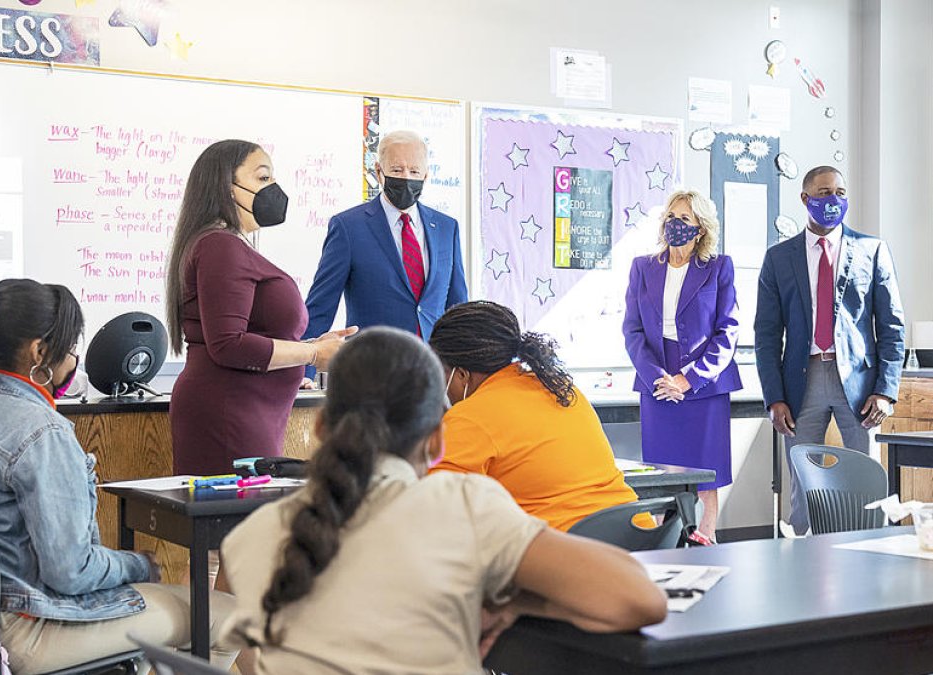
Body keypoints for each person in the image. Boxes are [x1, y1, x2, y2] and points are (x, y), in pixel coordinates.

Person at [221, 328, 666, 673]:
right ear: (437, 439)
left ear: (319, 428)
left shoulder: (250, 539)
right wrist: (518, 603)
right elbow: (640, 599)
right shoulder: (464, 506)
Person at [0, 279, 237, 673]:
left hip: (7, 624)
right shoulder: (42, 432)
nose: (73, 362)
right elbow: (71, 571)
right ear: (39, 351)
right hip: (30, 629)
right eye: (71, 349)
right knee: (229, 617)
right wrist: (140, 565)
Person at [165, 140, 354, 475]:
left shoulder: (223, 244)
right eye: (262, 178)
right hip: (230, 414)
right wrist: (312, 355)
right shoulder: (221, 246)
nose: (274, 189)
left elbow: (246, 334)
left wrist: (312, 346)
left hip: (247, 410)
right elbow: (228, 344)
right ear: (227, 186)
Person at [755, 165, 905, 534]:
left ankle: (867, 549)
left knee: (864, 476)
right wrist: (774, 397)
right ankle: (802, 554)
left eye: (840, 192)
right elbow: (767, 334)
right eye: (823, 192)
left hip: (858, 384)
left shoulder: (872, 250)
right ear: (805, 199)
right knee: (804, 481)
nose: (833, 200)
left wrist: (886, 391)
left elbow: (892, 327)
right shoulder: (779, 258)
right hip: (800, 383)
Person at [428, 301, 643, 532]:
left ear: (461, 374)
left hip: (564, 551)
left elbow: (432, 501)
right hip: (638, 538)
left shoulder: (471, 416)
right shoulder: (558, 388)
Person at [301, 130, 468, 384]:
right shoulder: (349, 227)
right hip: (370, 376)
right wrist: (303, 373)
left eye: (414, 171)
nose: (406, 177)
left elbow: (458, 307)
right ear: (379, 172)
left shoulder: (447, 228)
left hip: (434, 376)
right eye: (397, 170)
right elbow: (320, 307)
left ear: (426, 174)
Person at [622, 190, 741, 543]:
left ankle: (706, 539)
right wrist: (658, 377)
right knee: (661, 472)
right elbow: (632, 329)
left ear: (700, 228)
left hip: (704, 385)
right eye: (671, 217)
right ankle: (664, 543)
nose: (675, 225)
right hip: (656, 381)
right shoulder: (643, 267)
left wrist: (689, 379)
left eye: (684, 219)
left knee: (706, 474)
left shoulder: (719, 267)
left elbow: (728, 330)